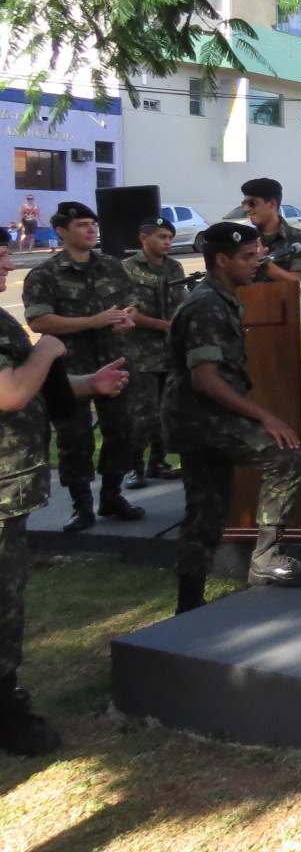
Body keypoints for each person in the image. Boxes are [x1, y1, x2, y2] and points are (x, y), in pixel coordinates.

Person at [0, 227, 128, 756]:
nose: (4, 264)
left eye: (5, 254)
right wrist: (48, 350)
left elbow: (35, 390)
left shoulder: (2, 321)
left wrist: (87, 383)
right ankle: (8, 716)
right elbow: (11, 393)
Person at [168, 222, 301, 613]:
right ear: (222, 260)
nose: (258, 263)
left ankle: (188, 604)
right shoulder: (207, 304)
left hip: (200, 418)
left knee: (206, 510)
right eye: (248, 257)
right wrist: (265, 417)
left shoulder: (222, 297)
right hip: (202, 418)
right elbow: (205, 379)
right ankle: (265, 558)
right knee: (285, 455)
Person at [21, 201, 141, 532]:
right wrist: (94, 320)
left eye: (93, 224)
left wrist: (123, 320)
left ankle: (112, 496)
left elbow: (129, 304)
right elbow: (38, 321)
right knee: (75, 438)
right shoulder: (45, 274)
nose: (91, 230)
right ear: (61, 231)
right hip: (69, 369)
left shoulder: (112, 266)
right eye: (81, 225)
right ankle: (81, 506)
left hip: (114, 358)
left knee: (122, 430)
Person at [120, 216, 193, 489]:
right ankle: (134, 467)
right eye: (161, 237)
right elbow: (130, 313)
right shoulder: (127, 268)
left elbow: (182, 301)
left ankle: (158, 463)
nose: (167, 242)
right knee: (141, 414)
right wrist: (170, 326)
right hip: (141, 354)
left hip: (170, 353)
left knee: (167, 411)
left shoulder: (175, 267)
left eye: (170, 238)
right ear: (144, 238)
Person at [239, 177, 301, 283]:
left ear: (272, 204)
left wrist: (264, 262)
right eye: (244, 203)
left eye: (252, 203)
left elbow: (299, 282)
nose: (247, 209)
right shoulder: (245, 240)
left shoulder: (300, 240)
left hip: (283, 299)